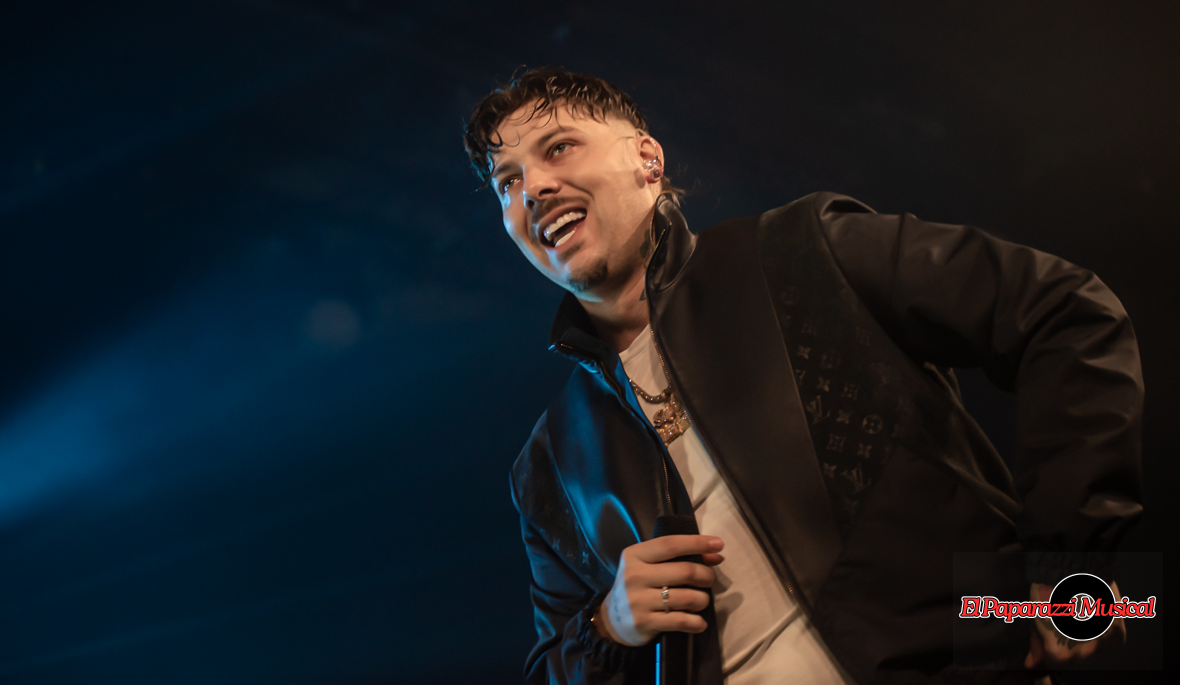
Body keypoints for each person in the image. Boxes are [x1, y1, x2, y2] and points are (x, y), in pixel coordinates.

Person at [462, 68, 1142, 684]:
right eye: (507, 182)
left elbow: (1063, 311)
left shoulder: (803, 254)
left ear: (648, 159)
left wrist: (1070, 565)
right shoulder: (548, 465)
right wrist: (609, 625)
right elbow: (551, 666)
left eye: (559, 147)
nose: (535, 187)